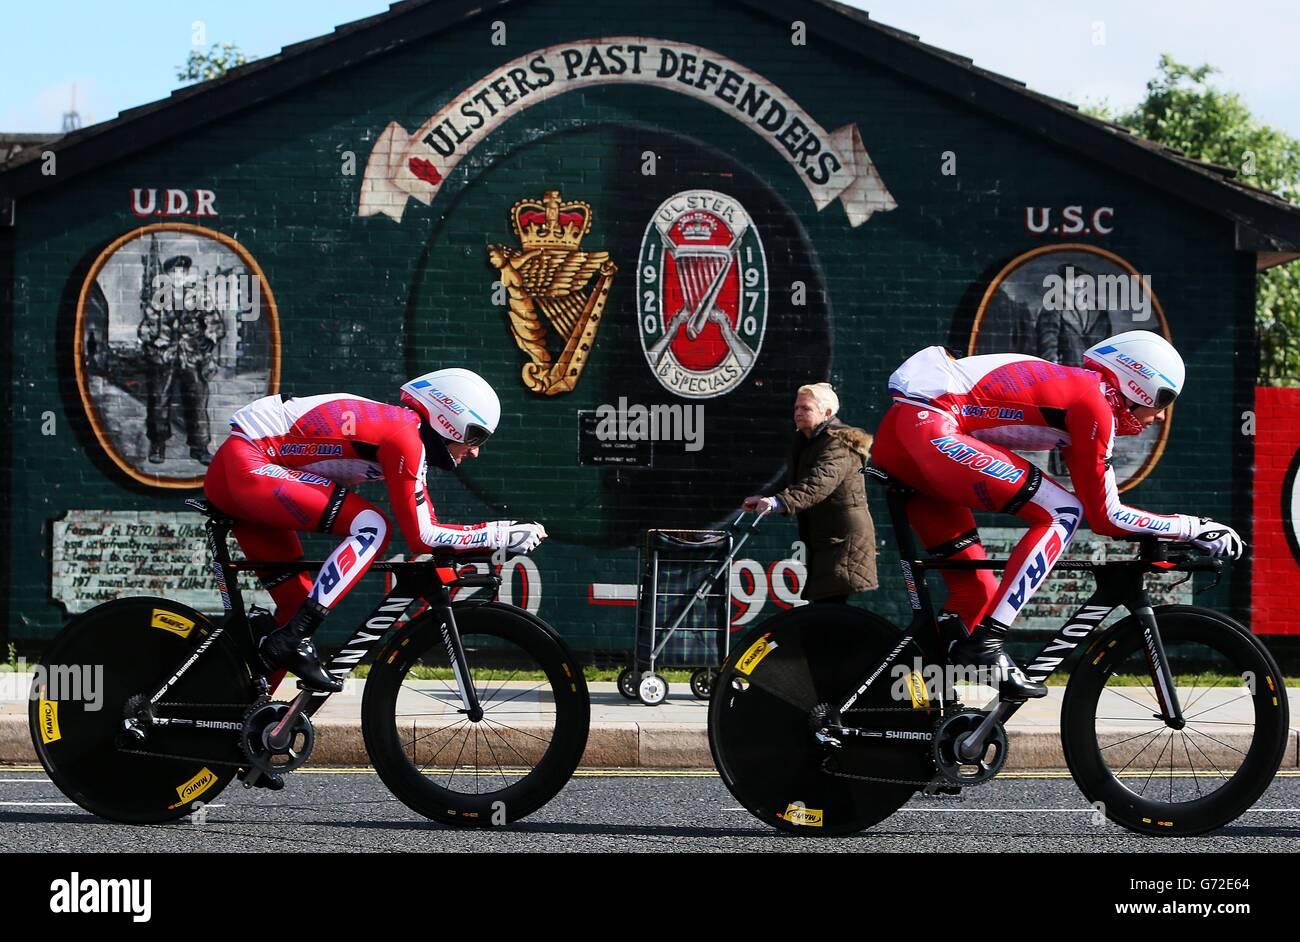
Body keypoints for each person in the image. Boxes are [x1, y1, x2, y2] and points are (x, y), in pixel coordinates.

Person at [870, 331, 1243, 701]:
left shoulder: (1084, 394)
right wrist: (1193, 528)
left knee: (976, 591)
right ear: (1138, 383)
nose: (1160, 416)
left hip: (908, 434)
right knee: (1062, 511)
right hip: (931, 427)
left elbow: (1106, 512)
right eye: (1163, 399)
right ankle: (989, 642)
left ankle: (922, 706)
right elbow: (1106, 518)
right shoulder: (1094, 403)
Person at [203, 368, 547, 692]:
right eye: (476, 436)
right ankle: (295, 636)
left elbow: (428, 530)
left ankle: (244, 714)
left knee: (293, 605)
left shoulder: (405, 434)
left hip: (242, 468)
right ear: (449, 418)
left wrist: (489, 537)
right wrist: (499, 534)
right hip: (250, 462)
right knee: (373, 527)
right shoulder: (404, 436)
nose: (474, 451)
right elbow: (423, 536)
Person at [742, 382, 877, 604]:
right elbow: (795, 480)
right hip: (825, 535)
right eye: (796, 408)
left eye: (806, 408)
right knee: (826, 605)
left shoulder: (837, 443)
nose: (798, 413)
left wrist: (778, 502)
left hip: (842, 537)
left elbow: (818, 484)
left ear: (826, 413)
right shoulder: (806, 442)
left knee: (830, 605)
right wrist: (765, 497)